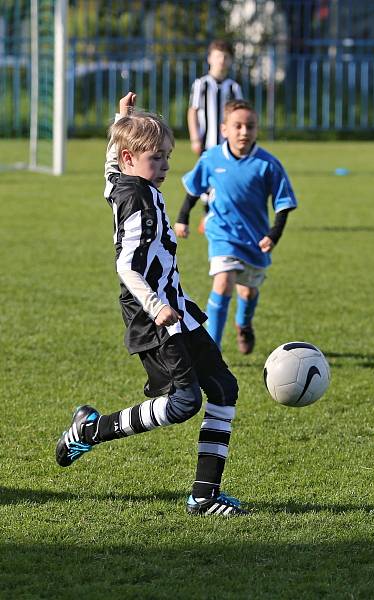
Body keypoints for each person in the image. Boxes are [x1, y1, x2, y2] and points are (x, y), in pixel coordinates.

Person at [55, 92, 248, 517]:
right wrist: (156, 306)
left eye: (166, 157)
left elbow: (111, 168)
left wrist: (121, 120)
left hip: (177, 307)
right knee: (184, 402)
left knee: (224, 388)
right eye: (155, 158)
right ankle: (90, 429)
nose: (163, 165)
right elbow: (126, 265)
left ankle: (204, 496)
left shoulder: (125, 182)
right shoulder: (137, 200)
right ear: (132, 159)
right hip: (155, 315)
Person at [177, 99, 297, 355]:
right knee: (223, 283)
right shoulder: (211, 158)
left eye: (250, 126)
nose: (244, 131)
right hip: (222, 233)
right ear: (224, 129)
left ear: (257, 129)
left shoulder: (267, 164)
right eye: (238, 126)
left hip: (255, 239)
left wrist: (273, 235)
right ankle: (212, 351)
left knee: (248, 291)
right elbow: (193, 189)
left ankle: (244, 324)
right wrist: (183, 217)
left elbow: (284, 203)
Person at [186, 39, 244, 231]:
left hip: (228, 144)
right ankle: (206, 214)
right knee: (207, 178)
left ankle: (219, 215)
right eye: (218, 56)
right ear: (210, 58)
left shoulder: (233, 87)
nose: (222, 60)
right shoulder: (201, 84)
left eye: (226, 57)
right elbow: (193, 111)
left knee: (227, 178)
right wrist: (195, 138)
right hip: (207, 142)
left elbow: (240, 114)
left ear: (230, 61)